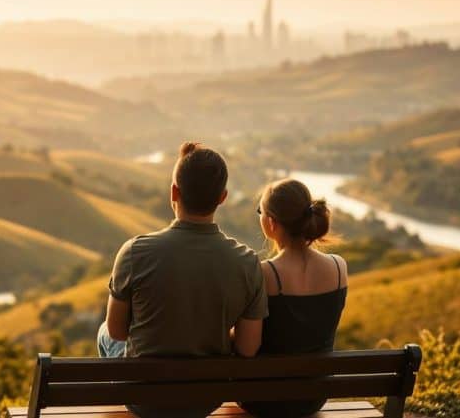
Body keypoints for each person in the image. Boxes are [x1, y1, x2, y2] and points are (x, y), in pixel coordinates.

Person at [97, 141, 266, 418]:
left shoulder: (135, 251)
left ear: (174, 192)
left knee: (104, 333)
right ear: (222, 197)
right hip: (205, 399)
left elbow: (117, 331)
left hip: (143, 400)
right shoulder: (247, 262)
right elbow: (248, 347)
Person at [239, 178, 348, 418]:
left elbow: (248, 348)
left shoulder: (264, 274)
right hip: (314, 398)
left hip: (264, 400)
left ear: (270, 222)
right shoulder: (339, 268)